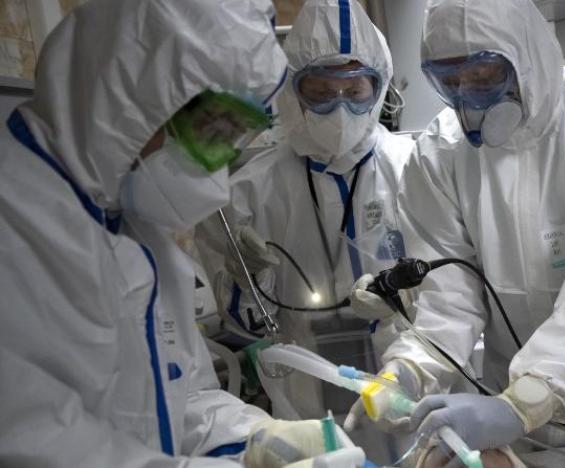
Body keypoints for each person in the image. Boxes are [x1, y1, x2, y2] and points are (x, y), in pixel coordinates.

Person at [0, 0, 356, 466]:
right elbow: (36, 446)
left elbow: (181, 396)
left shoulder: (134, 229)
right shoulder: (17, 225)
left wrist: (257, 439)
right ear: (130, 93)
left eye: (232, 140)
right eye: (211, 132)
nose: (217, 176)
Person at [349, 0, 565, 452]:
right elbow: (448, 296)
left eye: (483, 77)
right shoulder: (441, 152)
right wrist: (410, 368)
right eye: (450, 81)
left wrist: (526, 402)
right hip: (504, 405)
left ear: (525, 56)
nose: (467, 98)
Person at [195, 0, 414, 421]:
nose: (339, 109)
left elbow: (449, 298)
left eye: (355, 91)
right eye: (321, 93)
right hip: (305, 392)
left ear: (380, 85)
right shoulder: (249, 192)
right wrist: (247, 278)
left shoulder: (413, 168)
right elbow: (247, 327)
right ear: (292, 91)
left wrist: (407, 300)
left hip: (405, 379)